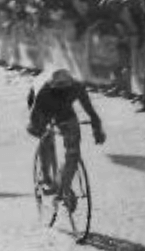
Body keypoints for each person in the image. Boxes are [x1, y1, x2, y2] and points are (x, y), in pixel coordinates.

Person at [27, 69, 106, 207]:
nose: (61, 94)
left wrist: (97, 129)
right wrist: (42, 132)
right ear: (52, 88)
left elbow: (91, 112)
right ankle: (46, 176)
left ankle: (64, 186)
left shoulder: (77, 87)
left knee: (73, 151)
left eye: (64, 91)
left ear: (70, 86)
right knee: (46, 137)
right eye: (58, 91)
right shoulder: (43, 93)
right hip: (42, 107)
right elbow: (33, 124)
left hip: (64, 110)